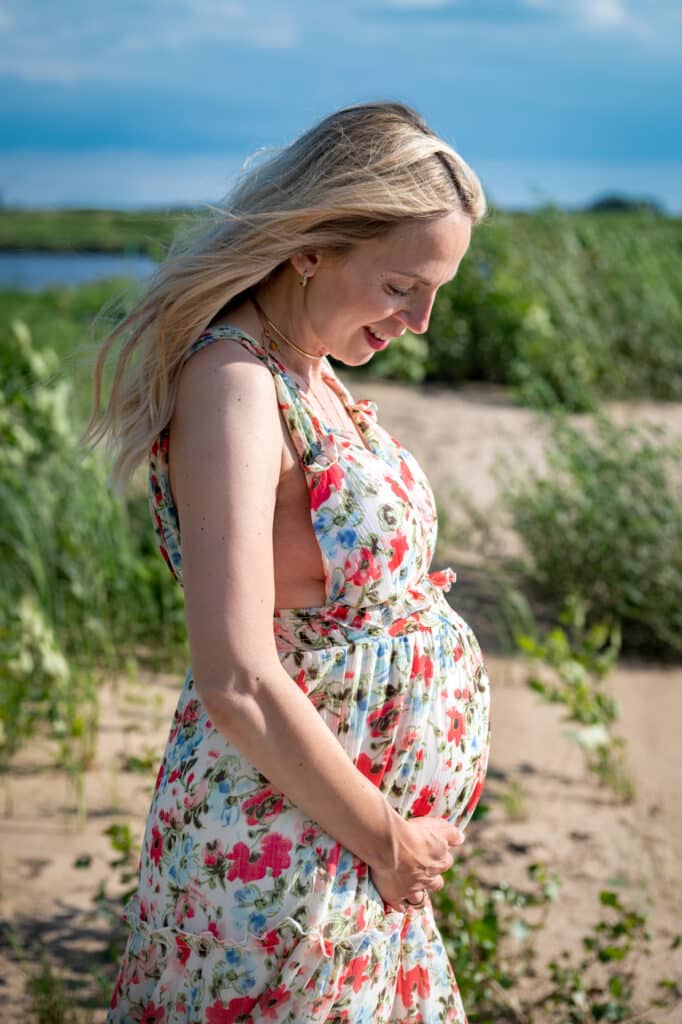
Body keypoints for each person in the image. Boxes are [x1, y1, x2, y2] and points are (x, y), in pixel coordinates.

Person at [85, 100, 492, 1023]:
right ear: (311, 244)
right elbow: (235, 677)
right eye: (401, 285)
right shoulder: (231, 382)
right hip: (283, 849)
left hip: (342, 848)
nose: (419, 321)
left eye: (436, 292)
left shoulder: (309, 370)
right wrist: (389, 840)